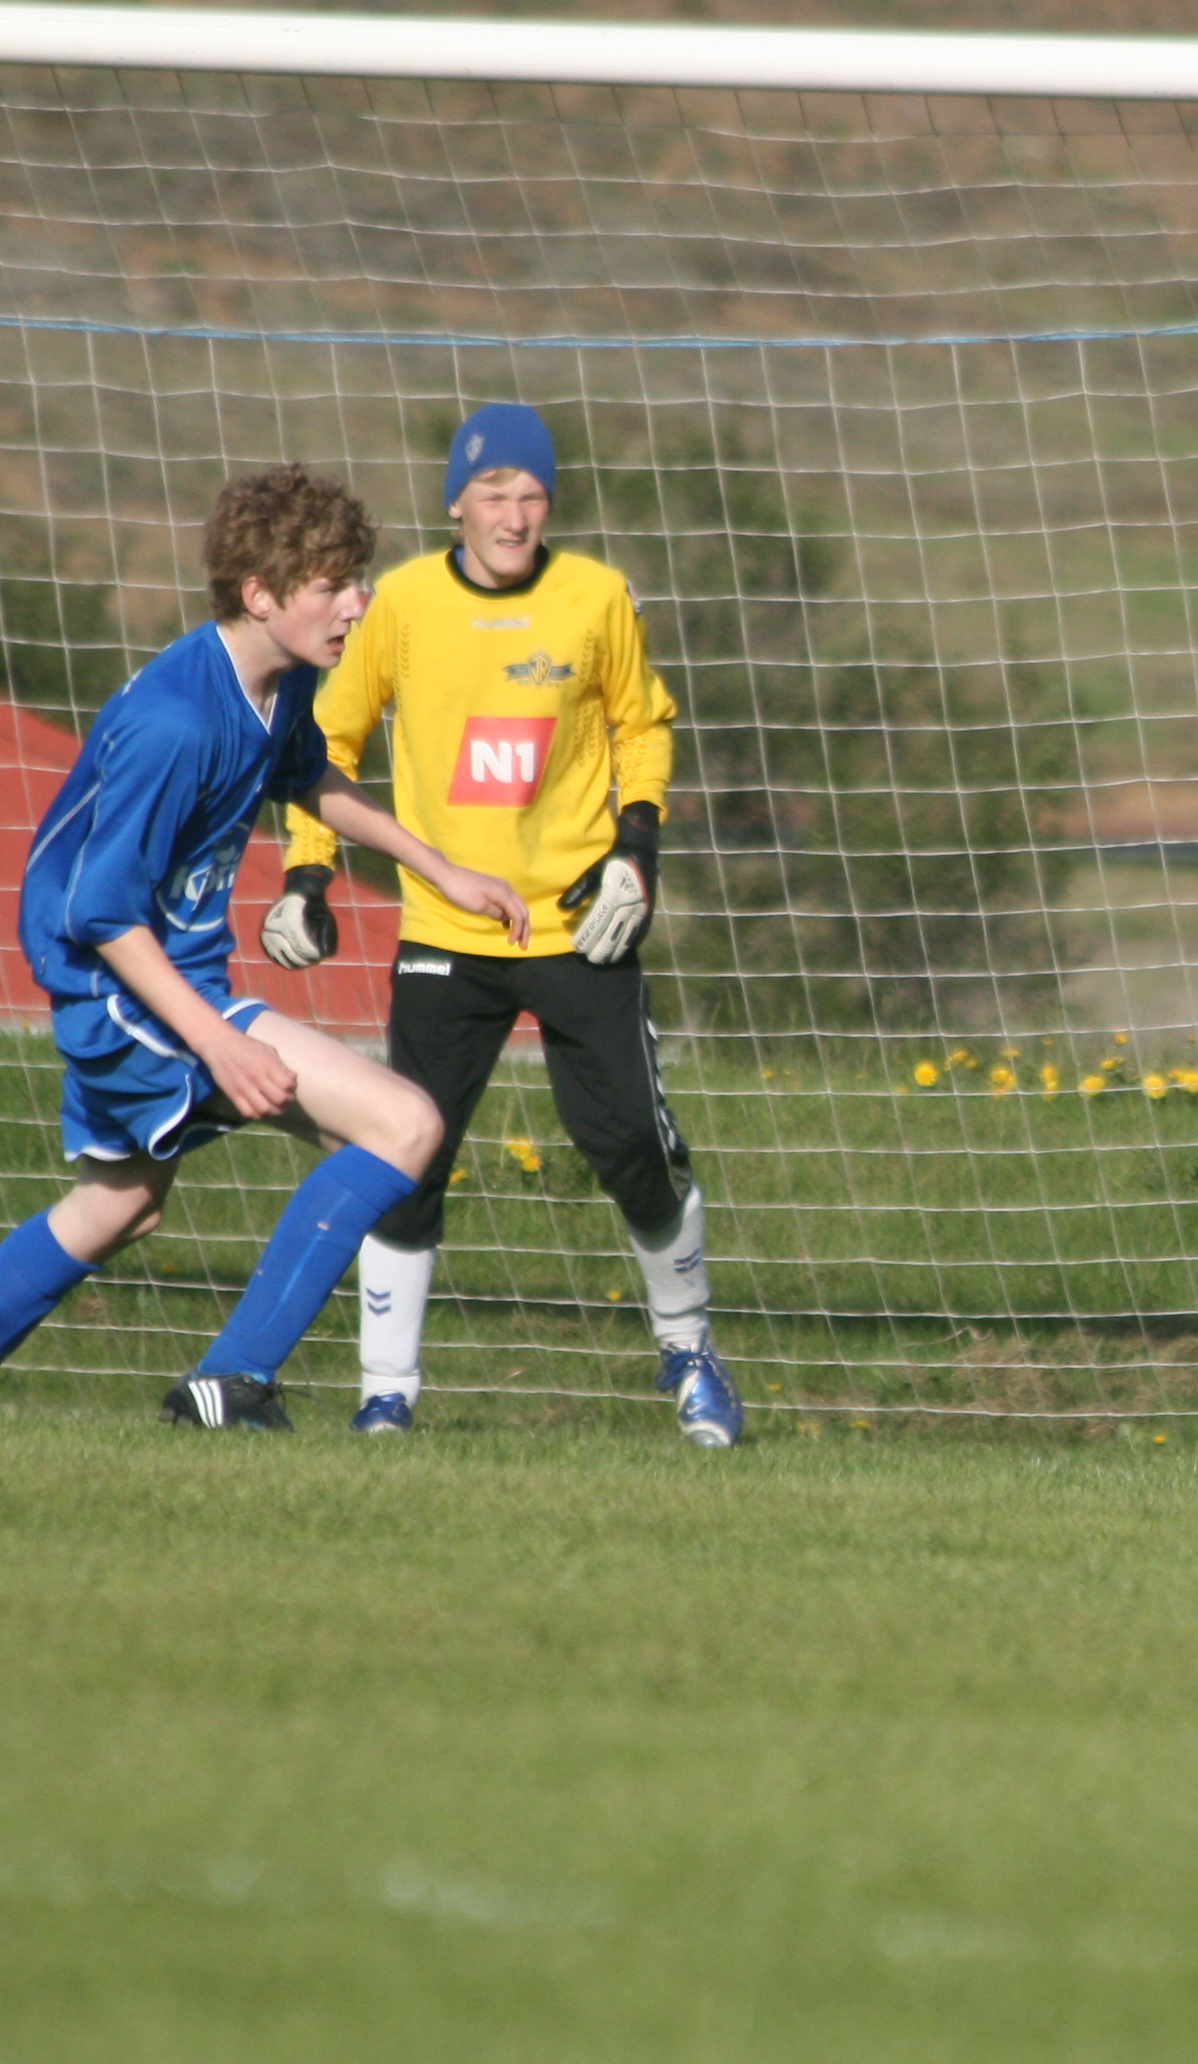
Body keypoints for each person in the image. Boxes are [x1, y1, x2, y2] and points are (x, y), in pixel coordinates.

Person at [0, 465, 531, 1428]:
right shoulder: (175, 723)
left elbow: (309, 777)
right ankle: (232, 1382)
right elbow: (102, 914)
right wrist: (219, 1041)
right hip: (123, 987)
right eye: (333, 586)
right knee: (404, 1124)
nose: (358, 602)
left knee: (119, 1208)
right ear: (260, 595)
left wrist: (440, 870)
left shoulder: (281, 680)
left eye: (357, 580)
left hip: (158, 978)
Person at [267, 402, 740, 1445]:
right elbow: (325, 743)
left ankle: (690, 1355)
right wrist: (308, 874)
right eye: (493, 494)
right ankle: (386, 1395)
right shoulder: (398, 605)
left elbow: (642, 726)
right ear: (457, 504)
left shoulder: (595, 597)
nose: (514, 514)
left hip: (578, 928)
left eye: (532, 494)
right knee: (405, 1156)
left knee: (632, 1145)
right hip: (446, 933)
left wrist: (637, 852)